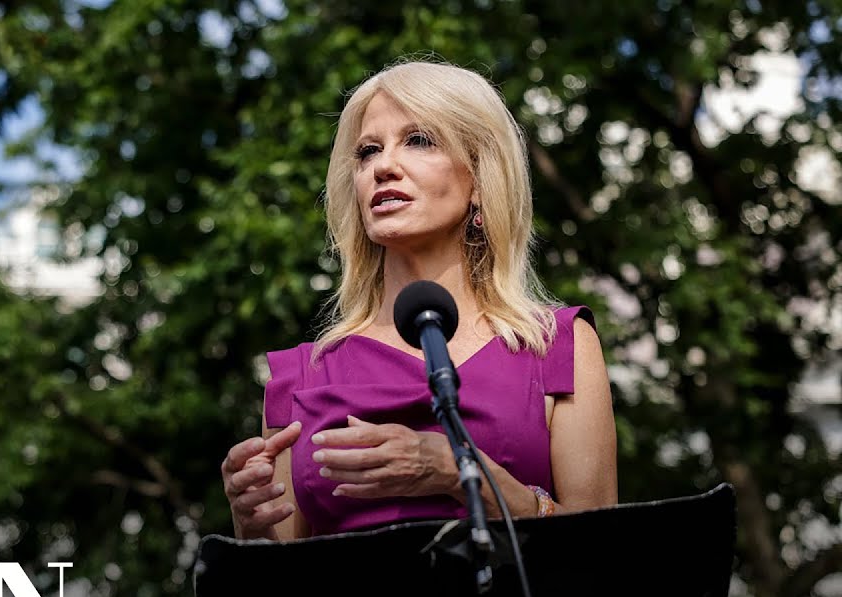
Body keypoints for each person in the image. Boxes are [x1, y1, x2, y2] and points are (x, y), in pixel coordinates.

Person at [221, 59, 617, 541]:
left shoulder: (557, 348)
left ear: (479, 179)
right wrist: (250, 527)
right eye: (368, 151)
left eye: (419, 140)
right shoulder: (302, 377)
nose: (383, 166)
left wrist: (459, 471)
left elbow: (598, 552)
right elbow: (278, 578)